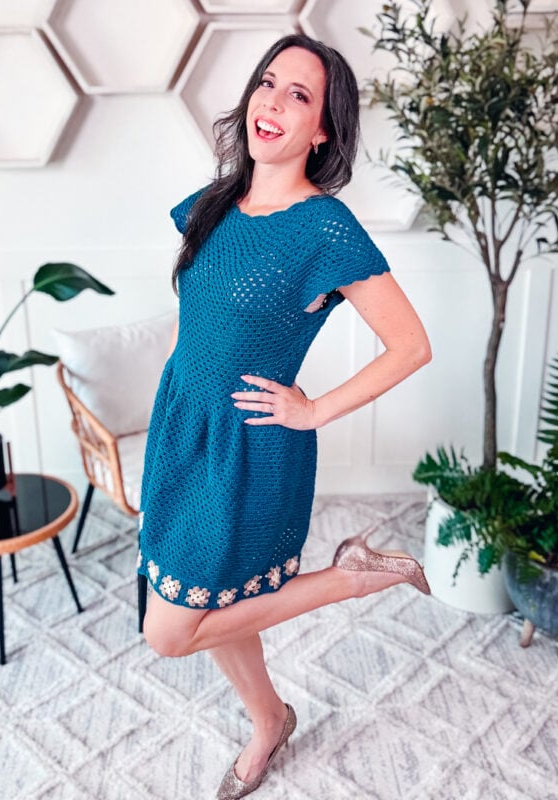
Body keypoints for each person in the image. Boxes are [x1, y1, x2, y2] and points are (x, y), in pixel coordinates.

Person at [137, 33, 432, 800]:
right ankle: (270, 719)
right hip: (185, 430)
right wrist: (172, 405)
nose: (273, 103)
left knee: (168, 632)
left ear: (323, 127)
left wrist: (314, 411)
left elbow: (410, 346)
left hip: (250, 447)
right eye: (268, 83)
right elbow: (196, 320)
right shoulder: (213, 203)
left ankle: (355, 578)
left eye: (299, 95)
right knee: (214, 603)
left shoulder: (322, 228)